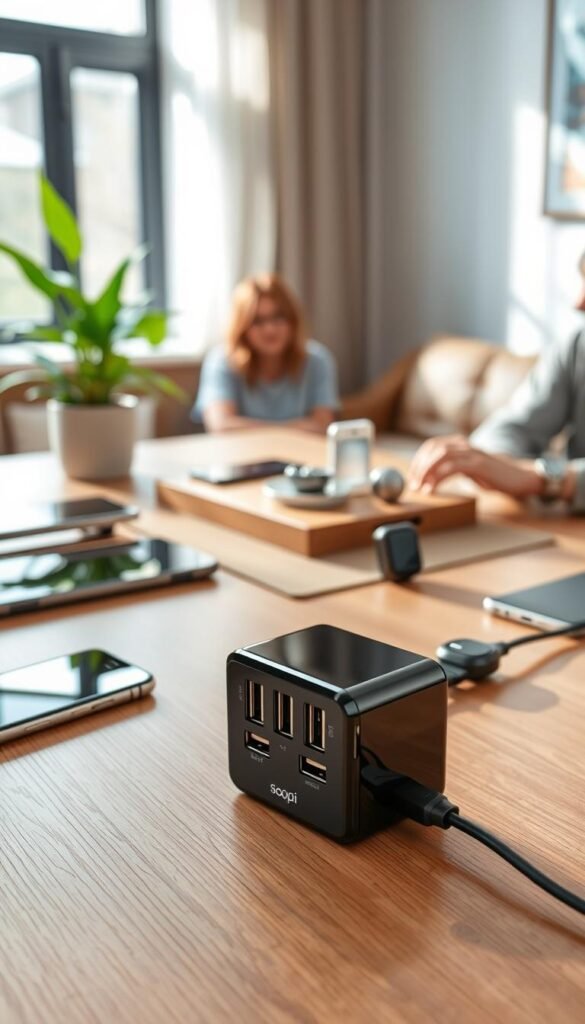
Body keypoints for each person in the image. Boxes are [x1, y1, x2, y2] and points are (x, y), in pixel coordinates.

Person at [408, 274, 585, 512]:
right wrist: (493, 464)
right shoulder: (576, 347)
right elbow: (509, 427)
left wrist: (539, 478)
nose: (578, 302)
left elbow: (532, 476)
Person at [193, 274, 339, 433]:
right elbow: (220, 426)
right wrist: (293, 429)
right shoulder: (222, 361)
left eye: (278, 317)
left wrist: (255, 429)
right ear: (242, 327)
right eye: (257, 321)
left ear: (293, 320)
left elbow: (322, 426)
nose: (270, 329)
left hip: (301, 457)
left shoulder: (317, 360)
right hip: (243, 456)